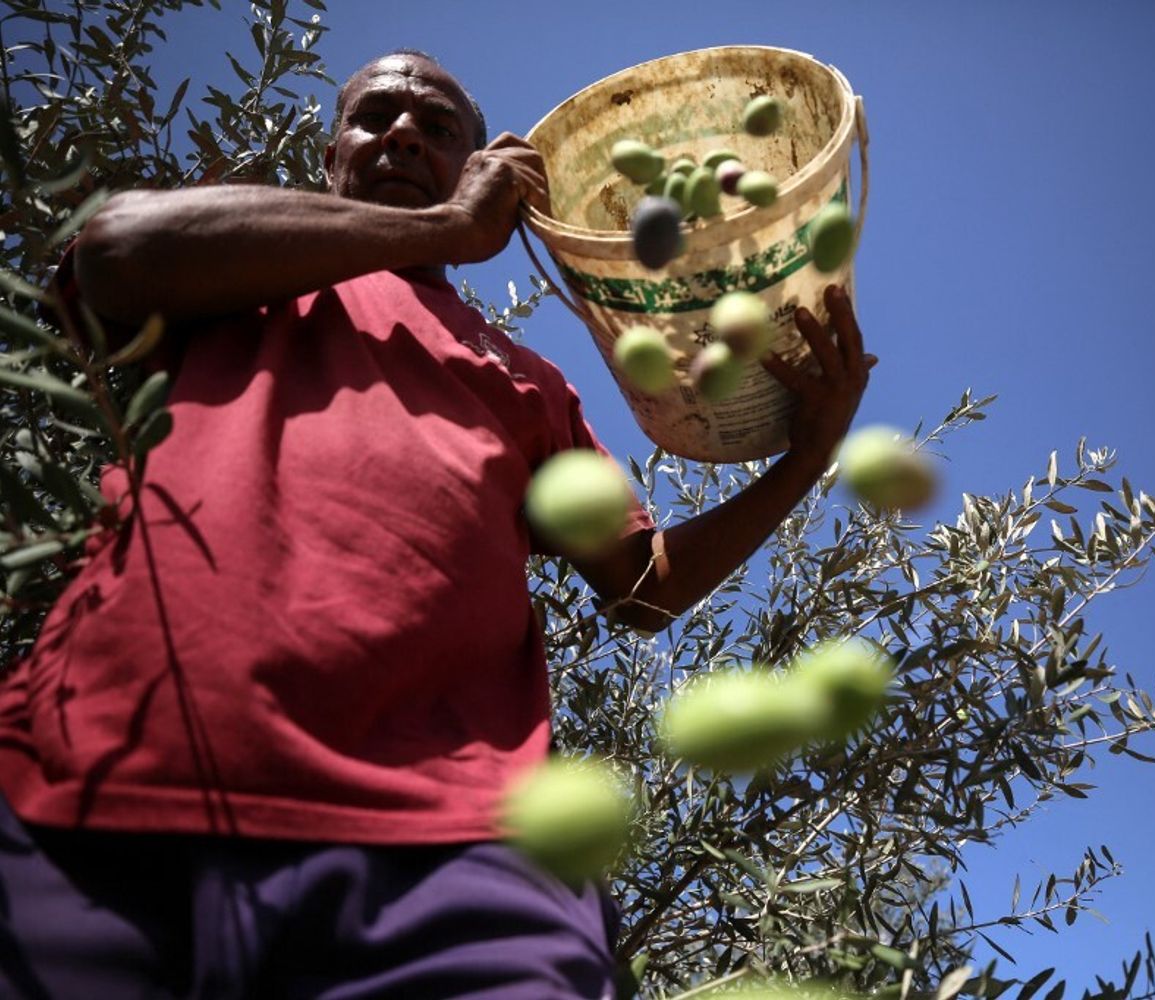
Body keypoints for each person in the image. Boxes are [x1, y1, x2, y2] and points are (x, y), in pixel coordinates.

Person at [0, 50, 872, 999]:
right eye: (375, 115)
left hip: (463, 856)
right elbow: (115, 252)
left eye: (437, 125)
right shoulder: (245, 268)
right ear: (333, 151)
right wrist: (446, 228)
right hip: (97, 785)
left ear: (478, 161)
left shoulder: (527, 380)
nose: (403, 132)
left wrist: (805, 457)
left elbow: (642, 585)